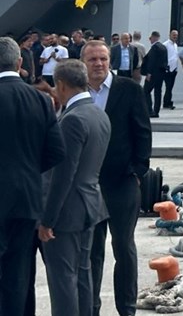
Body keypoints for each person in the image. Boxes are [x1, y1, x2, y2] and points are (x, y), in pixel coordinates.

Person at [81, 39, 151, 316]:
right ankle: (91, 308)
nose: (98, 64)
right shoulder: (78, 92)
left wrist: (138, 171)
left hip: (122, 181)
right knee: (91, 251)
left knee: (123, 246)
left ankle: (127, 309)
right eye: (93, 60)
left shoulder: (130, 90)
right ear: (83, 62)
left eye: (103, 59)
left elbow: (143, 131)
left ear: (111, 62)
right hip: (88, 184)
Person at [40, 59, 111, 316]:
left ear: (60, 84)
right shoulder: (98, 113)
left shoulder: (72, 119)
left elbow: (63, 175)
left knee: (63, 281)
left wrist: (47, 220)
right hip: (90, 205)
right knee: (83, 275)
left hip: (67, 212)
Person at [0, 37, 65, 316]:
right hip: (26, 199)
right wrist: (27, 170)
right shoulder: (40, 100)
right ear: (19, 63)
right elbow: (56, 152)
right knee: (17, 275)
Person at [141, 31, 168, 117]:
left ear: (153, 37)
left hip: (153, 74)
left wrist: (149, 73)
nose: (150, 40)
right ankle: (156, 111)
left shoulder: (154, 48)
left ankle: (149, 110)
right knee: (158, 91)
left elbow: (151, 61)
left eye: (150, 38)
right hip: (161, 73)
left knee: (146, 91)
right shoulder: (163, 47)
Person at [162, 30, 180, 110]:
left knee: (170, 87)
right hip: (168, 69)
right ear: (169, 35)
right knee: (168, 86)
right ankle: (167, 102)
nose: (175, 36)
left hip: (174, 69)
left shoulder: (175, 45)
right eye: (173, 35)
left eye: (176, 35)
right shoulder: (165, 45)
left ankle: (168, 101)